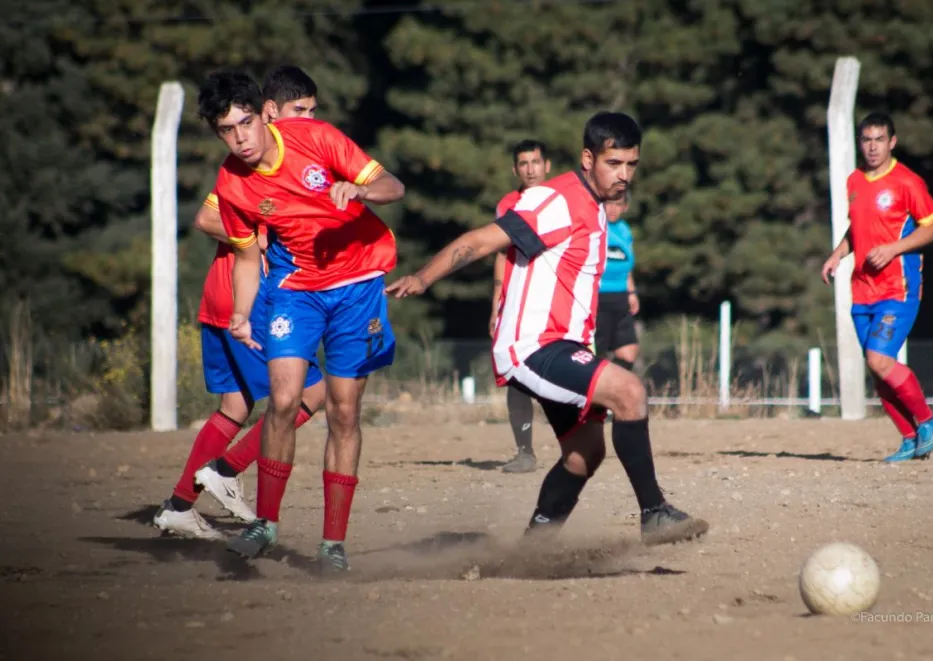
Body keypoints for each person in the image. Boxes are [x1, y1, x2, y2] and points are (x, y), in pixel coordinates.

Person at [388, 111, 709, 546]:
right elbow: (483, 241)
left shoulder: (595, 208)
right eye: (614, 163)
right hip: (533, 345)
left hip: (562, 345)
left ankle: (532, 548)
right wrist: (424, 278)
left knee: (584, 455)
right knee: (630, 393)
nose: (624, 175)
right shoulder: (555, 199)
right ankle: (654, 513)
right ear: (587, 157)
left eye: (632, 165)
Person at [198, 71, 405, 573]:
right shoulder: (232, 182)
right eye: (227, 130)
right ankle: (265, 524)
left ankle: (332, 544)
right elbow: (247, 259)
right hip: (297, 291)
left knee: (342, 413)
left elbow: (392, 185)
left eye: (245, 122)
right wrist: (242, 313)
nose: (240, 138)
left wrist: (357, 193)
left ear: (264, 113)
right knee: (284, 399)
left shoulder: (316, 137)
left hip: (357, 287)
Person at [153, 66, 327, 540]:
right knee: (314, 394)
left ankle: (179, 506)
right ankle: (225, 472)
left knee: (234, 406)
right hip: (244, 295)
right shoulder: (246, 168)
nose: (309, 119)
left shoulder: (280, 157)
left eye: (314, 111)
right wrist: (257, 238)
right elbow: (207, 217)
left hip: (224, 290)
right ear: (270, 113)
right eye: (300, 111)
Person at [821, 111, 933, 462]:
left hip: (898, 289)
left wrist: (893, 248)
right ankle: (909, 438)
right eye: (866, 140)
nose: (872, 146)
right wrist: (837, 255)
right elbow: (857, 231)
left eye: (879, 139)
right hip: (863, 290)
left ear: (892, 141)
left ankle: (928, 422)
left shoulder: (907, 182)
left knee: (879, 359)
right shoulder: (855, 181)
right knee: (878, 370)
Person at [490, 139, 551, 474]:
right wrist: (496, 305)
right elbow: (502, 253)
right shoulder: (508, 205)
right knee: (516, 378)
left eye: (536, 162)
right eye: (524, 163)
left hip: (556, 303)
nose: (531, 169)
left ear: (547, 165)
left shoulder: (562, 201)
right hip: (519, 303)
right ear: (516, 169)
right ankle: (525, 451)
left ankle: (578, 448)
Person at [594, 192, 640, 372]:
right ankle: (596, 395)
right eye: (609, 204)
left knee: (628, 353)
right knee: (596, 355)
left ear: (625, 207)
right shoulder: (595, 228)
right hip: (598, 299)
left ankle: (613, 391)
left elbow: (627, 266)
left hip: (621, 298)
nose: (613, 209)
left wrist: (632, 293)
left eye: (618, 204)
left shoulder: (625, 230)